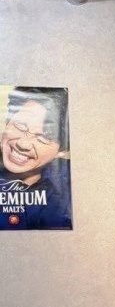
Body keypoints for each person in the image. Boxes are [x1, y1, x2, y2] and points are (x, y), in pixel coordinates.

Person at [0, 86, 72, 230]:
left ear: (62, 150)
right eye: (20, 125)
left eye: (42, 138)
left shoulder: (73, 183)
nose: (23, 144)